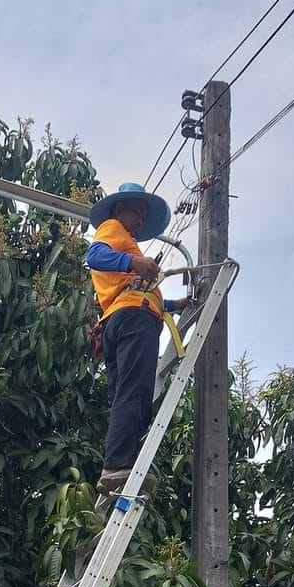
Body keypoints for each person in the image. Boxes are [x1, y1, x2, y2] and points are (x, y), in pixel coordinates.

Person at [85, 181, 185, 495]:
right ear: (119, 209)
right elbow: (95, 254)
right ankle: (118, 465)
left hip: (119, 320)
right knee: (135, 391)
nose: (140, 220)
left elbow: (130, 290)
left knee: (128, 395)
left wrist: (172, 306)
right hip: (132, 321)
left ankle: (118, 465)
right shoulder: (112, 228)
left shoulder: (126, 241)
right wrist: (133, 261)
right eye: (136, 212)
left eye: (144, 215)